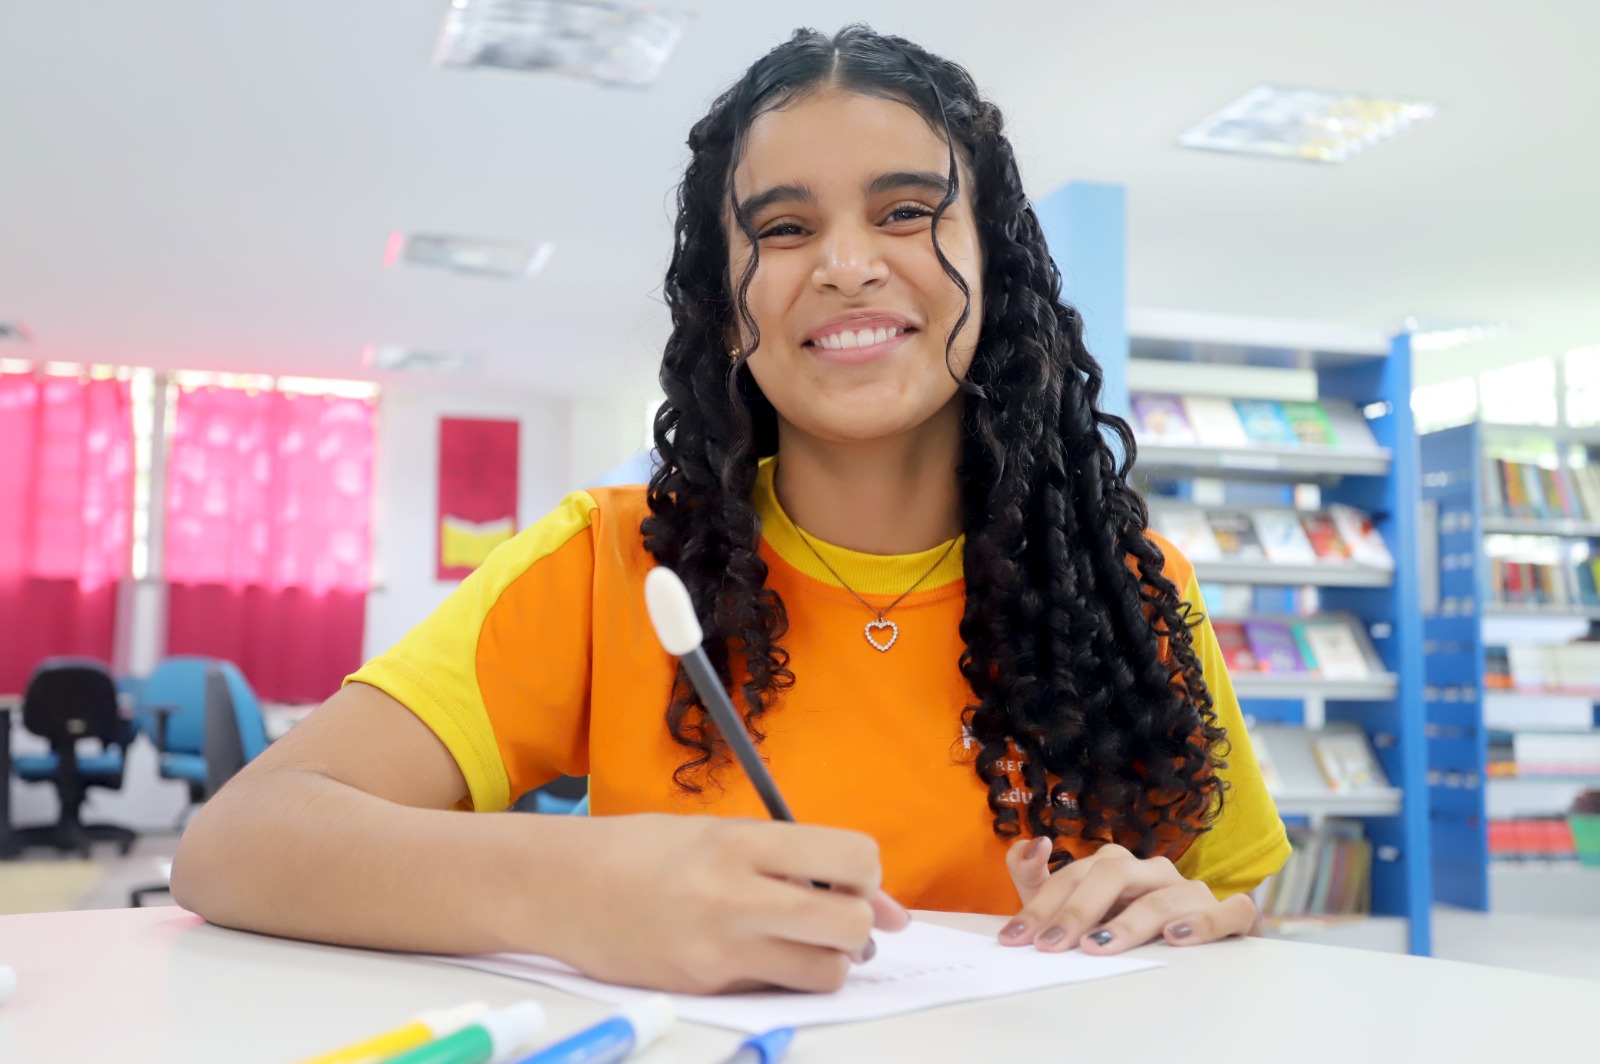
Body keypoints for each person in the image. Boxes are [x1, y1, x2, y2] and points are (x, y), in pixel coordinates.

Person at [171, 24, 1289, 994]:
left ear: (993, 265)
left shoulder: (1132, 589)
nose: (846, 264)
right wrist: (572, 885)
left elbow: (1244, 904)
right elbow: (238, 842)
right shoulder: (609, 561)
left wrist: (1184, 910)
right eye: (784, 228)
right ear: (726, 305)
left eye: (906, 211)